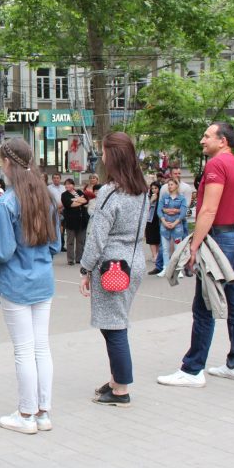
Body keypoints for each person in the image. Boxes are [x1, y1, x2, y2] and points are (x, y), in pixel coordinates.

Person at [0, 138, 59, 434]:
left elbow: (3, 252)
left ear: (8, 163)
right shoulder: (46, 196)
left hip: (16, 284)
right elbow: (54, 245)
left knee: (24, 350)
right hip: (43, 279)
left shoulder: (6, 204)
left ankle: (25, 415)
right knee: (41, 346)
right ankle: (43, 412)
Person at [158, 122, 234, 387]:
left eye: (207, 136)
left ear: (223, 140)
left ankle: (192, 369)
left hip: (219, 237)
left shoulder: (216, 166)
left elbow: (208, 209)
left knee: (203, 305)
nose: (202, 140)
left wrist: (195, 246)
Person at [79, 132, 148, 407]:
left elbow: (97, 237)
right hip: (134, 261)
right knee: (116, 323)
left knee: (114, 328)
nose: (102, 157)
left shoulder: (110, 193)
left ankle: (121, 389)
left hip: (112, 267)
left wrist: (85, 268)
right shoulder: (141, 190)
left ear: (113, 156)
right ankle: (116, 379)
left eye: (105, 152)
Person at [157, 178, 189, 277]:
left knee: (177, 248)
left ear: (176, 185)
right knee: (165, 248)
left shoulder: (181, 198)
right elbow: (159, 210)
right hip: (164, 225)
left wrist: (175, 221)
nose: (169, 186)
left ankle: (178, 269)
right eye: (168, 185)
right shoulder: (164, 197)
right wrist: (164, 221)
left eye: (171, 184)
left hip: (177, 226)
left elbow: (183, 212)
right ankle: (165, 268)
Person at [60, 178, 89, 266]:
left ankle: (79, 258)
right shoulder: (64, 195)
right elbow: (70, 205)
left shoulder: (79, 192)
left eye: (69, 184)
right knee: (70, 241)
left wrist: (76, 200)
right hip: (70, 221)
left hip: (82, 220)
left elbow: (85, 201)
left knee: (80, 241)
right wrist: (78, 200)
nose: (67, 186)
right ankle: (70, 259)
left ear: (73, 185)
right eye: (66, 184)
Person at [145, 182, 162, 274]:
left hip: (158, 219)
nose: (154, 190)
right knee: (151, 238)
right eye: (152, 188)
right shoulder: (148, 197)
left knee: (158, 237)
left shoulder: (161, 198)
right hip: (150, 219)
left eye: (156, 188)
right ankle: (154, 255)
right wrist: (151, 200)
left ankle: (158, 254)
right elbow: (145, 208)